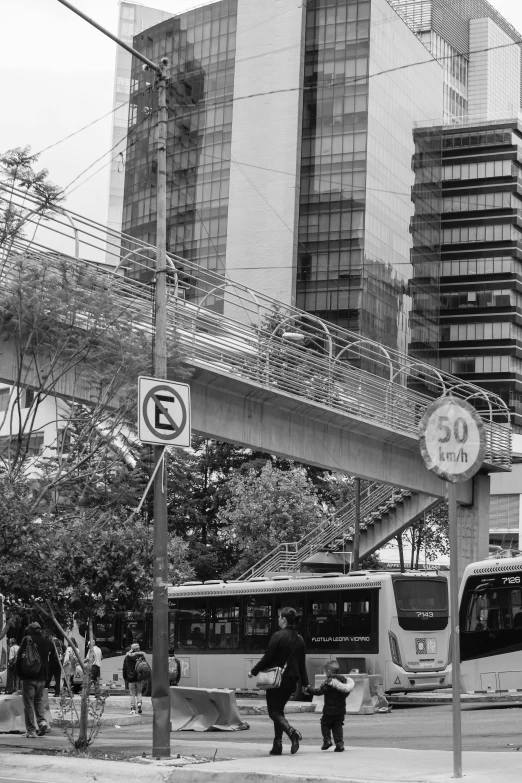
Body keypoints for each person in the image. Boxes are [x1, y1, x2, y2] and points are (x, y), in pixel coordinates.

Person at [248, 606, 308, 756]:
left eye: (280, 617)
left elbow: (267, 657)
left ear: (284, 619)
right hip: (292, 682)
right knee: (279, 711)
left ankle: (292, 732)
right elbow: (302, 664)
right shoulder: (300, 639)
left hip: (276, 680)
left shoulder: (278, 636)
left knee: (273, 712)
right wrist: (305, 684)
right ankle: (277, 745)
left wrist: (253, 671)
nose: (278, 619)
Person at [15, 622, 57, 738]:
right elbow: (55, 657)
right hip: (42, 677)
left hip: (29, 677)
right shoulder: (48, 641)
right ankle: (42, 722)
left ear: (30, 630)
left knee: (28, 704)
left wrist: (19, 674)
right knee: (38, 701)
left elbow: (19, 657)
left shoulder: (27, 639)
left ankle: (31, 731)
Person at [306, 660, 354, 752]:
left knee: (325, 723)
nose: (325, 674)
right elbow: (346, 693)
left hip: (329, 710)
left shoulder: (329, 683)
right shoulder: (344, 682)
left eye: (325, 672)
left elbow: (319, 691)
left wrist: (308, 689)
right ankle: (339, 744)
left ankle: (327, 740)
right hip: (341, 710)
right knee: (338, 726)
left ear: (328, 672)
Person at [122, 642, 147, 715]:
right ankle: (139, 703)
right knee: (139, 692)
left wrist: (125, 677)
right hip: (138, 677)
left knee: (132, 693)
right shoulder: (141, 656)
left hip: (130, 678)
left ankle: (133, 709)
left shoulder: (127, 657)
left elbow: (124, 668)